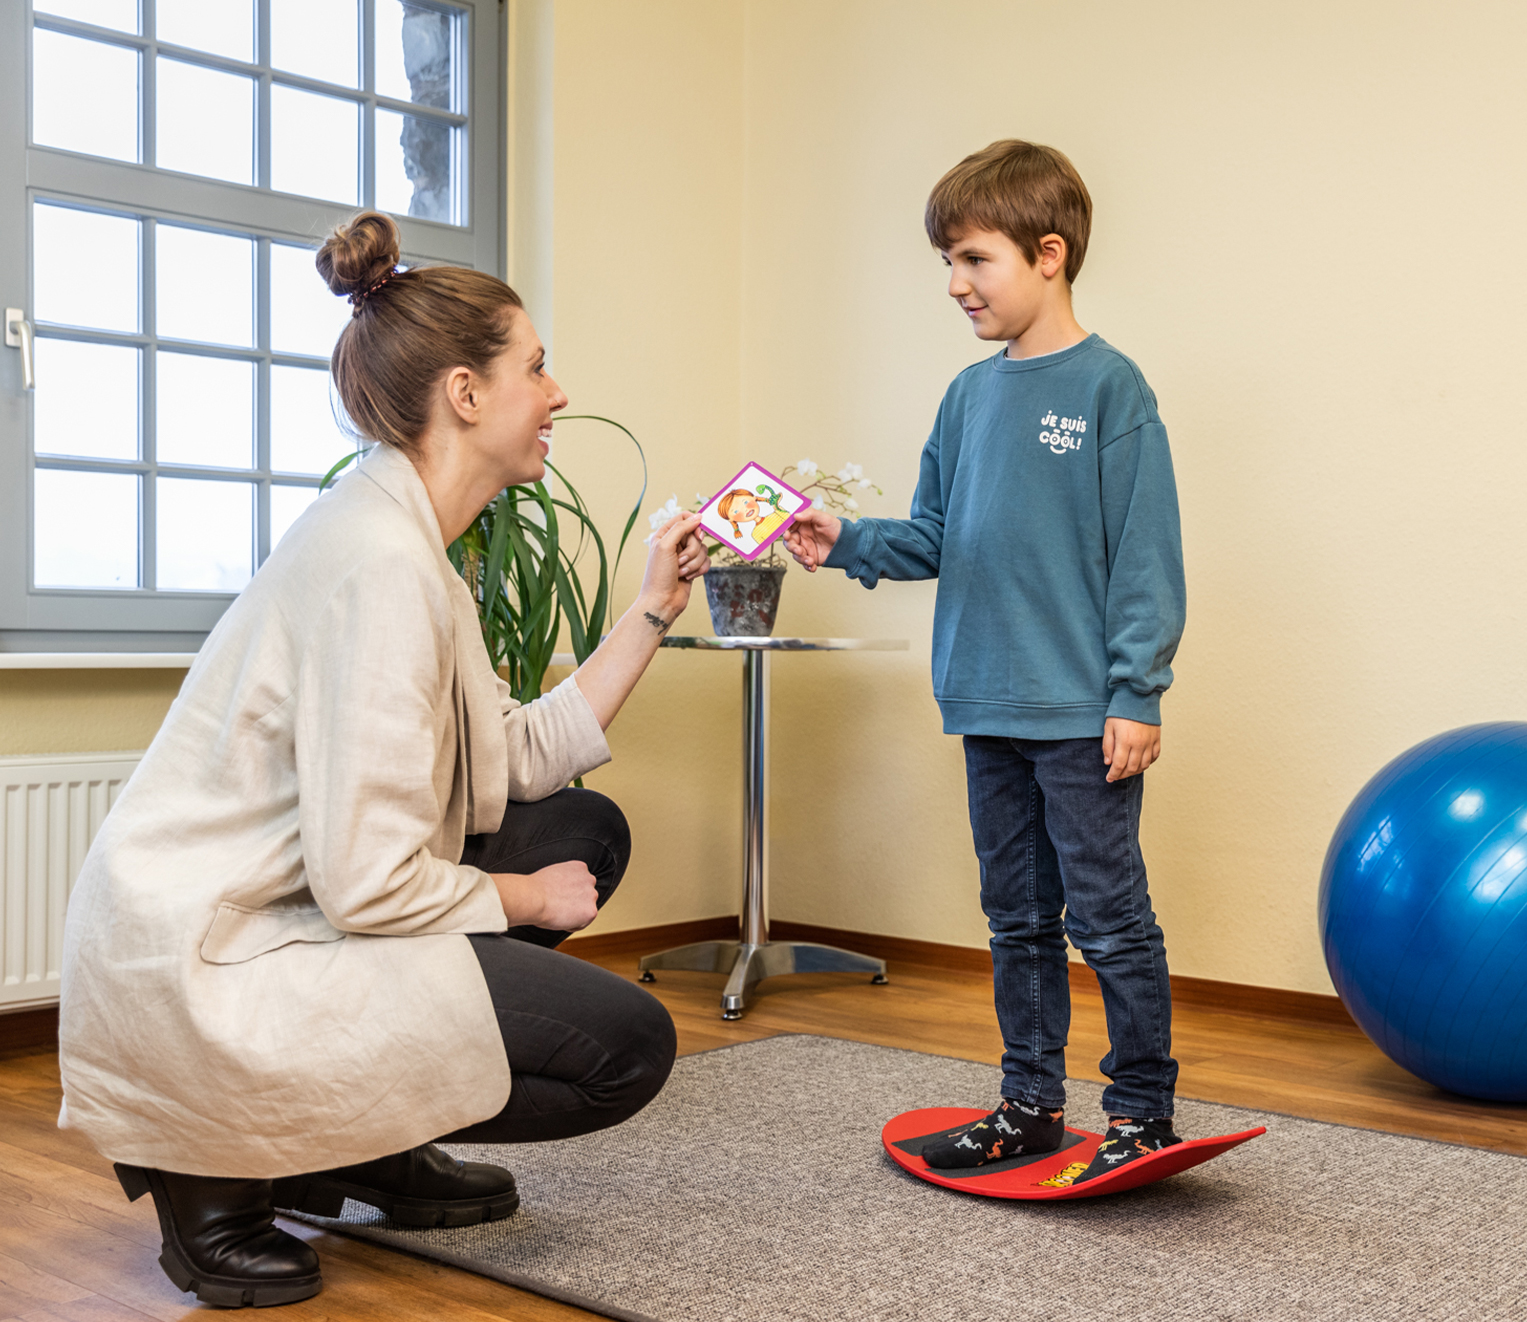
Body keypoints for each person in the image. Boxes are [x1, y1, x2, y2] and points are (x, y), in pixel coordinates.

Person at [56, 211, 709, 1309]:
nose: (555, 392)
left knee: (584, 829)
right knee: (623, 1045)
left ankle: (346, 1141)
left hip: (299, 900)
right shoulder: (378, 566)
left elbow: (518, 753)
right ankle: (216, 1164)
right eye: (534, 366)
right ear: (465, 391)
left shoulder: (410, 543)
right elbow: (366, 880)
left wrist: (650, 607)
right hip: (214, 949)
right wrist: (515, 892)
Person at [784, 140, 1187, 1183]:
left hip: (1080, 711)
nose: (955, 285)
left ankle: (1142, 1109)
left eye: (973, 260)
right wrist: (847, 540)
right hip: (982, 701)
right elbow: (933, 532)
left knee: (1108, 917)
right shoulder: (966, 397)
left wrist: (1134, 691)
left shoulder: (1110, 389)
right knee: (1015, 917)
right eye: (947, 264)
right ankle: (1028, 1103)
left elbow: (1144, 558)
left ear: (1047, 253)